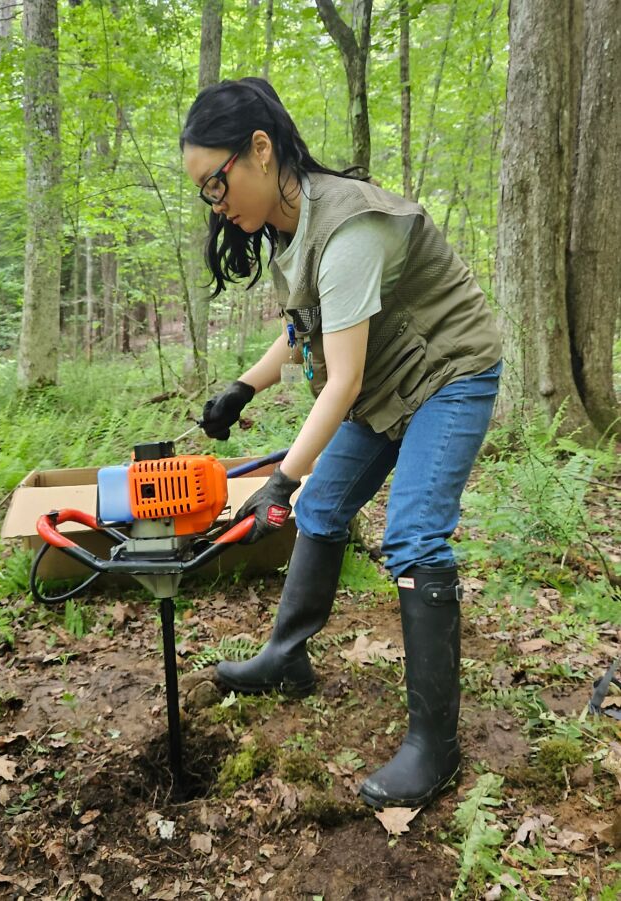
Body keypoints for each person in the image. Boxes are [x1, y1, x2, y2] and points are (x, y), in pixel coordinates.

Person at [180, 77, 502, 810]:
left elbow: (344, 379)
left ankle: (434, 746)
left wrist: (279, 481)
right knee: (324, 510)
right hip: (391, 379)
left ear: (258, 151)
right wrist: (244, 385)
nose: (216, 203)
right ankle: (285, 658)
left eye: (215, 183)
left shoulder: (351, 224)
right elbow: (307, 330)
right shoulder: (294, 228)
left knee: (414, 532)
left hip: (449, 372)